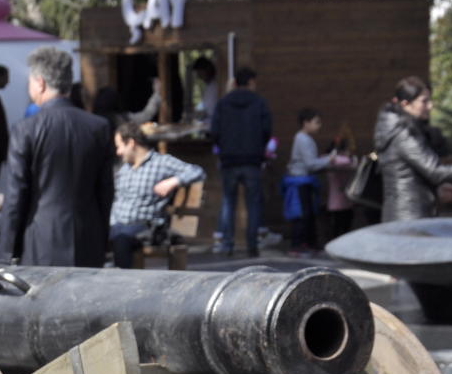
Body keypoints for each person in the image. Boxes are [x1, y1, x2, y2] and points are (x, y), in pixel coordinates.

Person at [0, 46, 113, 267]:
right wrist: (102, 236)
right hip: (88, 236)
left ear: (40, 82)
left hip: (41, 240)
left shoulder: (25, 129)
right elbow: (105, 191)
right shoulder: (99, 127)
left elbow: (15, 196)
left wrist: (6, 253)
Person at [375, 76, 452, 223]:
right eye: (424, 101)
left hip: (407, 212)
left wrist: (436, 188)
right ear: (405, 104)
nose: (430, 106)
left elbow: (413, 173)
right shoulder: (403, 133)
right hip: (409, 216)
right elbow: (434, 170)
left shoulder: (400, 129)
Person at [108, 121, 204, 269]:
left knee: (122, 238)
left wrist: (173, 181)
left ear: (131, 143)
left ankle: (123, 281)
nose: (118, 152)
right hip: (118, 225)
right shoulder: (123, 168)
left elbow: (197, 171)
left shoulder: (161, 162)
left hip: (147, 226)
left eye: (120, 146)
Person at [210, 66, 271, 257]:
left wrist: (224, 148)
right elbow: (267, 130)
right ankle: (252, 245)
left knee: (229, 202)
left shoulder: (223, 103)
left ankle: (227, 244)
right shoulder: (260, 103)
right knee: (253, 203)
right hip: (252, 160)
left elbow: (214, 132)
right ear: (251, 82)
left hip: (229, 160)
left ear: (234, 82)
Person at [284, 108, 333, 254]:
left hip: (305, 181)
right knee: (301, 214)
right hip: (300, 181)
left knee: (309, 214)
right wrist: (329, 159)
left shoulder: (305, 138)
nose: (319, 126)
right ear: (306, 123)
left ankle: (309, 243)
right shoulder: (302, 139)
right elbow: (310, 163)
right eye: (316, 122)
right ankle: (298, 244)